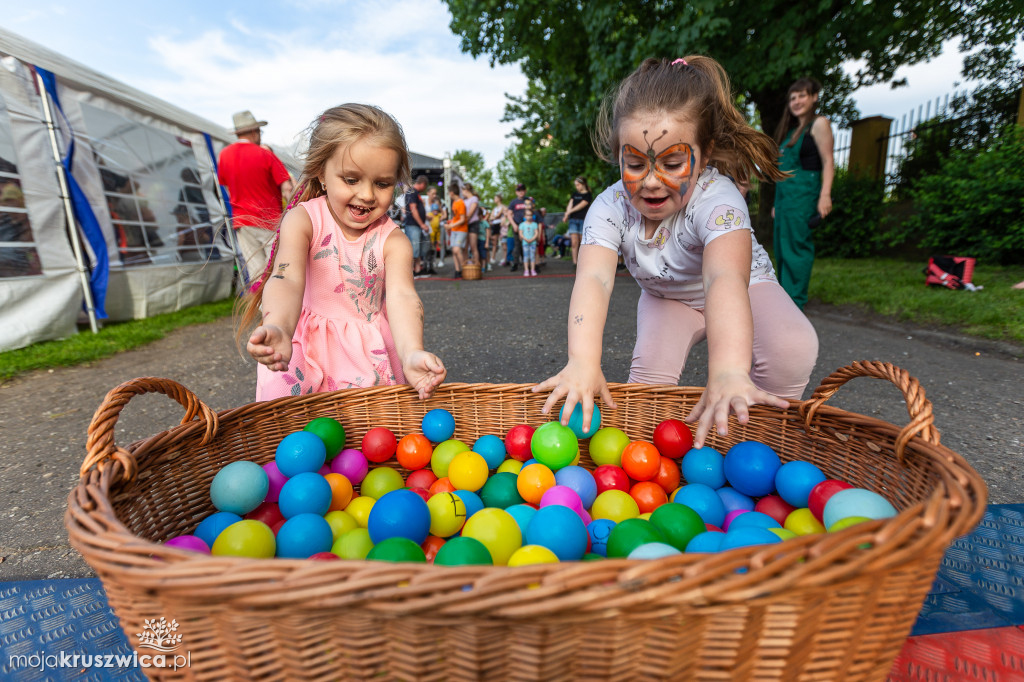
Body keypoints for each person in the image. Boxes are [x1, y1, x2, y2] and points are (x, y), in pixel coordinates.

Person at [534, 56, 819, 449]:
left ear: (704, 154)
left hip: (744, 288)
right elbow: (594, 279)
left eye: (672, 162)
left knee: (792, 346)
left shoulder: (718, 199)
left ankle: (762, 439)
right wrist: (583, 361)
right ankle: (648, 461)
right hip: (667, 297)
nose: (652, 181)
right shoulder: (609, 207)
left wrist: (728, 371)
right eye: (635, 163)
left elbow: (724, 279)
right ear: (617, 154)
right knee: (648, 385)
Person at [235, 103, 446, 401]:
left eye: (383, 183)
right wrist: (279, 326)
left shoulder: (393, 240)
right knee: (297, 437)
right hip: (305, 352)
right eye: (351, 179)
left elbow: (402, 297)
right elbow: (286, 278)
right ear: (321, 172)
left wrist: (411, 351)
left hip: (366, 356)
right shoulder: (303, 219)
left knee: (368, 440)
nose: (367, 194)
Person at [772, 77, 834, 310]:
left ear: (814, 97)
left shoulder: (819, 124)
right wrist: (777, 203)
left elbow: (828, 162)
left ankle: (795, 300)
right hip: (786, 197)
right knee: (781, 246)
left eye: (802, 96)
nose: (797, 101)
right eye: (793, 97)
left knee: (797, 247)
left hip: (804, 196)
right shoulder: (791, 132)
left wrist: (825, 195)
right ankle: (784, 297)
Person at [218, 111, 295, 280]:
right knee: (279, 269)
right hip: (269, 220)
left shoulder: (224, 155)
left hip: (242, 221)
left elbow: (226, 186)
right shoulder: (265, 154)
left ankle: (260, 306)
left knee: (256, 272)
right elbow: (287, 188)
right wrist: (293, 213)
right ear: (254, 132)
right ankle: (279, 305)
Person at [403, 175, 432, 276]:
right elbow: (413, 209)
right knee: (414, 249)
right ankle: (411, 271)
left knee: (418, 248)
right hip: (413, 225)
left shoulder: (415, 193)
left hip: (416, 226)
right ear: (423, 184)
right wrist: (422, 224)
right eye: (425, 186)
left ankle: (418, 270)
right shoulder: (412, 192)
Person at [562, 176, 592, 265]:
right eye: (576, 185)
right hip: (573, 220)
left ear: (583, 184)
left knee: (582, 242)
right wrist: (566, 214)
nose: (577, 187)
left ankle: (583, 262)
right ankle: (575, 263)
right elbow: (570, 204)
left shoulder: (588, 195)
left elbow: (582, 205)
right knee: (574, 243)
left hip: (583, 220)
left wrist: (569, 212)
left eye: (578, 185)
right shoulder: (574, 194)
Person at [505, 183, 533, 272]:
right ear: (516, 192)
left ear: (525, 191)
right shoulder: (513, 202)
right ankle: (515, 263)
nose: (521, 192)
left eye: (522, 190)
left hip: (528, 227)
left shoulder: (528, 200)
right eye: (519, 190)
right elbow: (509, 214)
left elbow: (533, 212)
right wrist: (513, 224)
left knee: (528, 245)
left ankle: (530, 264)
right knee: (517, 245)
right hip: (517, 226)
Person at [446, 182, 468, 276]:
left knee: (456, 250)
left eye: (448, 192)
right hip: (455, 229)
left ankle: (464, 269)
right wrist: (450, 223)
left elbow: (462, 220)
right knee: (454, 250)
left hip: (461, 230)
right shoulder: (454, 203)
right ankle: (457, 270)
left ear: (451, 193)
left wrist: (451, 225)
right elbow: (457, 217)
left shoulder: (461, 203)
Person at [462, 183, 483, 265]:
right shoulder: (464, 201)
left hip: (473, 224)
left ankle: (476, 266)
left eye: (462, 191)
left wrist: (463, 220)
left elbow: (470, 213)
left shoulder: (474, 199)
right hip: (465, 224)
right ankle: (466, 267)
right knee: (465, 247)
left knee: (473, 247)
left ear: (466, 190)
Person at [518, 208, 540, 277]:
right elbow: (521, 233)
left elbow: (536, 233)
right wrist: (526, 239)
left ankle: (532, 269)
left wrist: (532, 239)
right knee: (526, 257)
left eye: (530, 215)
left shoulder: (534, 224)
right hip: (525, 243)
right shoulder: (522, 224)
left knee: (532, 256)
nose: (529, 216)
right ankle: (526, 270)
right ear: (524, 216)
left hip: (533, 243)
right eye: (527, 215)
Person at [487, 193, 507, 266]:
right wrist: (494, 217)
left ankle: (504, 258)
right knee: (494, 242)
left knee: (503, 242)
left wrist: (495, 216)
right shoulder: (495, 208)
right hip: (494, 225)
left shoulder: (503, 207)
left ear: (499, 198)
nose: (494, 200)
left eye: (495, 198)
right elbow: (492, 217)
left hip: (501, 225)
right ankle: (493, 257)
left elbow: (498, 216)